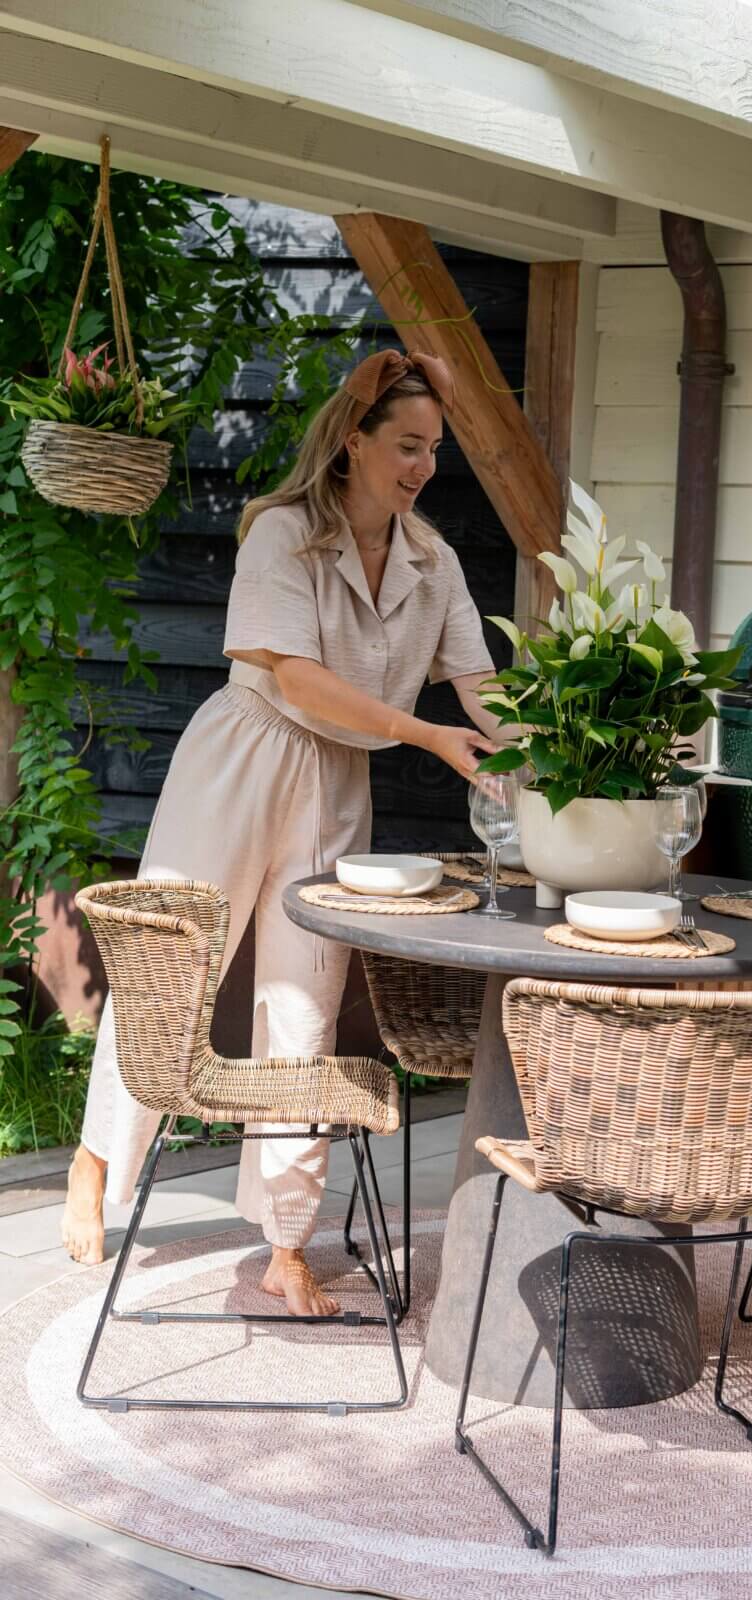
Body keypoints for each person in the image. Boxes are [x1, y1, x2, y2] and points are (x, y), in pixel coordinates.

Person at [61, 348, 502, 1315]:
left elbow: (483, 689)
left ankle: (285, 1242)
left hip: (336, 780)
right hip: (243, 753)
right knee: (173, 975)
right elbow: (296, 678)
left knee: (303, 1002)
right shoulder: (281, 535)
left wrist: (544, 756)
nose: (423, 466)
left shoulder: (435, 562)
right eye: (406, 445)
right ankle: (98, 1159)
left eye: (434, 449)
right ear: (355, 441)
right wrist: (426, 734)